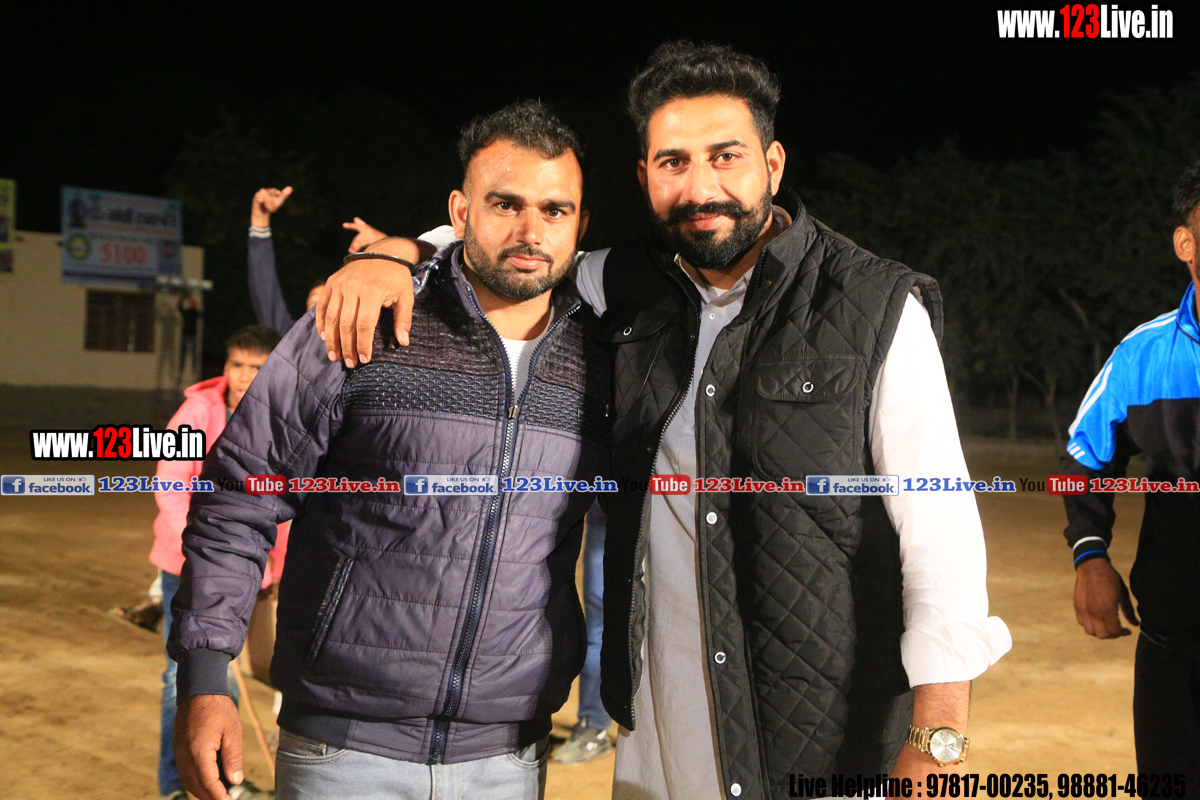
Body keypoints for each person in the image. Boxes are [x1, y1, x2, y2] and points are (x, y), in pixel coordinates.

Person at [317, 42, 1012, 798]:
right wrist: (397, 254)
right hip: (657, 739)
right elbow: (510, 244)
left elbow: (939, 528)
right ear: (645, 176)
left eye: (725, 157)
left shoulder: (874, 308)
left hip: (824, 746)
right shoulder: (620, 284)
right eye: (673, 162)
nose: (701, 187)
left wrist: (937, 741)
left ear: (773, 164)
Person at [170, 101, 608, 800]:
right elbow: (238, 495)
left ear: (580, 226)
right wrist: (204, 677)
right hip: (343, 753)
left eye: (555, 210)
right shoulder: (360, 320)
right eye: (505, 204)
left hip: (509, 761)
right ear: (460, 212)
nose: (531, 231)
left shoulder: (605, 357)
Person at [1061, 161, 1200, 785]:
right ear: (1186, 243)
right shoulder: (1143, 354)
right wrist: (1090, 556)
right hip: (1173, 647)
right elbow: (1084, 458)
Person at [155, 323, 286, 800]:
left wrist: (272, 567)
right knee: (192, 679)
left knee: (252, 674)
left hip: (256, 569)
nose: (244, 376)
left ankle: (225, 782)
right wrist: (199, 554)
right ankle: (178, 786)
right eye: (236, 364)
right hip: (189, 566)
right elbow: (171, 488)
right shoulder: (197, 412)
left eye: (256, 366)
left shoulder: (282, 415)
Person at [248, 186, 389, 335]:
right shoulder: (292, 338)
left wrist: (387, 245)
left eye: (331, 300)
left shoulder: (368, 340)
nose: (322, 306)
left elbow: (402, 293)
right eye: (315, 302)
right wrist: (260, 218)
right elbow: (265, 289)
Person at [552, 501, 613, 764]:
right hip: (607, 510)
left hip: (664, 510)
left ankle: (664, 729)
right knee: (599, 625)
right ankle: (593, 725)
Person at [177, 295, 202, 379]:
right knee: (183, 353)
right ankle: (181, 369)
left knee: (193, 353)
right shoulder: (187, 312)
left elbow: (202, 314)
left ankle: (194, 368)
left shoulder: (196, 313)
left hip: (193, 335)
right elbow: (179, 308)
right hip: (186, 334)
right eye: (191, 303)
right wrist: (182, 298)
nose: (192, 305)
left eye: (193, 304)